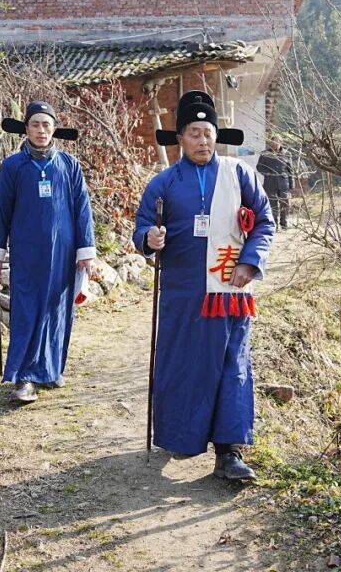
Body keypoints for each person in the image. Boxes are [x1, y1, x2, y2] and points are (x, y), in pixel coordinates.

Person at [133, 91, 275, 481]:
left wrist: (250, 262)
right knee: (184, 365)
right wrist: (149, 238)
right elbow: (142, 226)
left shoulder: (238, 174)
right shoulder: (163, 183)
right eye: (194, 133)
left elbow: (264, 221)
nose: (202, 141)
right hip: (183, 292)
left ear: (216, 135)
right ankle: (182, 436)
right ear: (181, 138)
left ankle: (229, 451)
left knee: (231, 365)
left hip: (229, 291)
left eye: (208, 133)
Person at [0, 101, 96, 404]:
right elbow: (1, 212)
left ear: (54, 129)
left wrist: (86, 251)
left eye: (46, 125)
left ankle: (50, 369)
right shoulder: (13, 166)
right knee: (27, 309)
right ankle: (25, 376)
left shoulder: (69, 165)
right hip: (27, 252)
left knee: (57, 309)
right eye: (35, 124)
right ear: (26, 128)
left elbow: (82, 210)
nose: (41, 130)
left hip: (63, 251)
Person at [256, 138, 294, 231]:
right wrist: (268, 173)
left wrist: (292, 184)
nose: (275, 144)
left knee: (285, 204)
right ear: (270, 143)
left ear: (281, 143)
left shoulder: (287, 154)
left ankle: (284, 224)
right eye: (273, 143)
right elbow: (259, 167)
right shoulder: (265, 154)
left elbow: (290, 170)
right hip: (270, 183)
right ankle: (274, 225)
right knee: (272, 205)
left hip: (284, 183)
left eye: (277, 142)